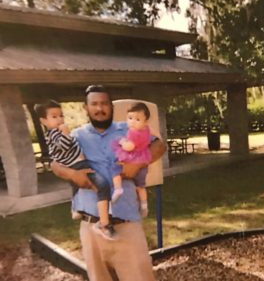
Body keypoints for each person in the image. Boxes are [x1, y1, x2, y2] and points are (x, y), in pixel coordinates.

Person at [51, 85, 166, 281]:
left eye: (104, 103)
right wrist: (72, 174)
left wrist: (138, 163)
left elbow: (159, 145)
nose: (100, 108)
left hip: (126, 224)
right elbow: (54, 163)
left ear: (111, 107)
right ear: (85, 108)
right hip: (91, 228)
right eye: (94, 104)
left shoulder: (127, 129)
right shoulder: (76, 136)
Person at [34, 100, 117, 240]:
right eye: (54, 117)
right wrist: (66, 134)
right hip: (77, 165)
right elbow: (63, 146)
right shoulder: (54, 134)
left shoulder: (55, 132)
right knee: (102, 186)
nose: (60, 119)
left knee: (80, 186)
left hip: (76, 164)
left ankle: (76, 209)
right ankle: (104, 224)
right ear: (43, 121)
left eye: (61, 115)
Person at [111, 102, 152, 218]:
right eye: (130, 118)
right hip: (143, 160)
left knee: (114, 167)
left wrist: (122, 141)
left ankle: (118, 188)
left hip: (133, 158)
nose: (132, 122)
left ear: (145, 121)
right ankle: (144, 205)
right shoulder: (146, 129)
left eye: (137, 119)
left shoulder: (133, 132)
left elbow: (130, 147)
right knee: (141, 186)